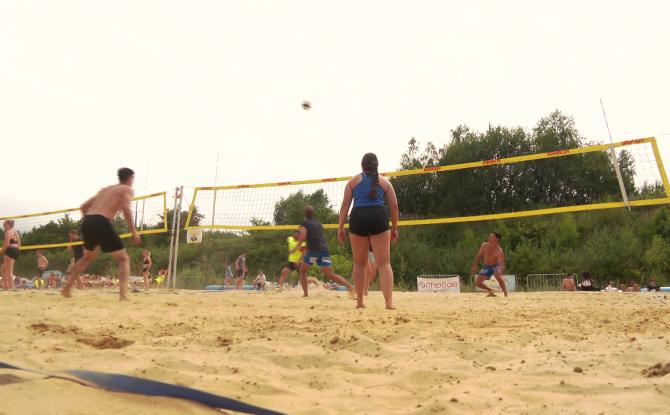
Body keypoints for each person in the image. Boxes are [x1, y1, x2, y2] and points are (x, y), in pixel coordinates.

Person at [61, 167, 141, 300]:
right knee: (123, 259)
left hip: (87, 221)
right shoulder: (126, 189)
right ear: (130, 178)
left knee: (87, 257)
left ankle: (67, 288)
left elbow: (83, 207)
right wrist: (134, 231)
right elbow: (127, 208)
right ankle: (123, 295)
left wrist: (91, 221)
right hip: (101, 221)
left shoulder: (105, 190)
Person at [338, 153, 399, 309]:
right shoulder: (385, 182)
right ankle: (389, 303)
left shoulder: (352, 182)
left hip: (358, 217)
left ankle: (360, 302)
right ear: (376, 166)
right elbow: (394, 206)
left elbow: (345, 205)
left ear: (362, 166)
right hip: (378, 216)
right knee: (384, 263)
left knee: (359, 263)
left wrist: (340, 228)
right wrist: (394, 228)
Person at [296, 205, 354, 297]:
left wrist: (296, 247)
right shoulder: (318, 224)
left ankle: (306, 294)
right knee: (330, 274)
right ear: (313, 214)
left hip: (313, 252)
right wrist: (306, 247)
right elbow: (316, 239)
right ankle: (350, 287)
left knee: (302, 271)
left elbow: (303, 237)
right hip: (324, 250)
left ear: (305, 215)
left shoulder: (305, 224)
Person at [470, 232, 508, 297]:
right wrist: (475, 265)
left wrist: (500, 270)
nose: (489, 237)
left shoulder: (499, 251)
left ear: (496, 239)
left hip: (496, 266)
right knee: (477, 283)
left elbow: (501, 263)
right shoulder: (484, 245)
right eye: (490, 236)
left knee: (497, 275)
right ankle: (491, 291)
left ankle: (505, 294)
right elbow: (478, 255)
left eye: (491, 236)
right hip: (487, 267)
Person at [1, 220, 21, 290]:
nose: (3, 226)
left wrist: (1, 252)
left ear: (9, 224)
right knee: (3, 269)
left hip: (10, 251)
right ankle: (6, 286)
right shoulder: (16, 232)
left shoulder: (8, 232)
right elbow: (19, 245)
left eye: (4, 224)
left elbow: (6, 245)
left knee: (9, 272)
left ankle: (11, 288)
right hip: (16, 251)